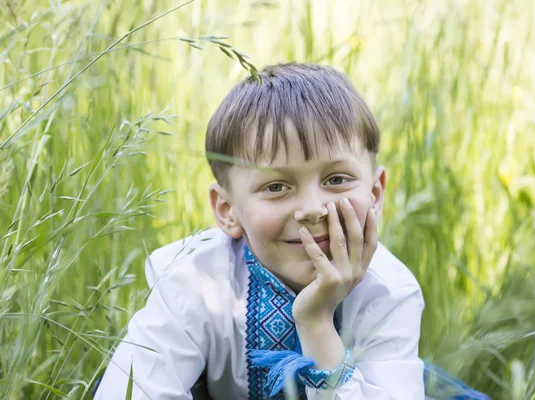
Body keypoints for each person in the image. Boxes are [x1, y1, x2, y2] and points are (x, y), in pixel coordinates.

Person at [94, 62, 425, 399]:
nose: (312, 208)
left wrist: (317, 324)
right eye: (276, 186)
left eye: (336, 179)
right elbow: (129, 392)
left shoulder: (388, 293)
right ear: (228, 211)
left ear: (375, 193)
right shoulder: (195, 283)